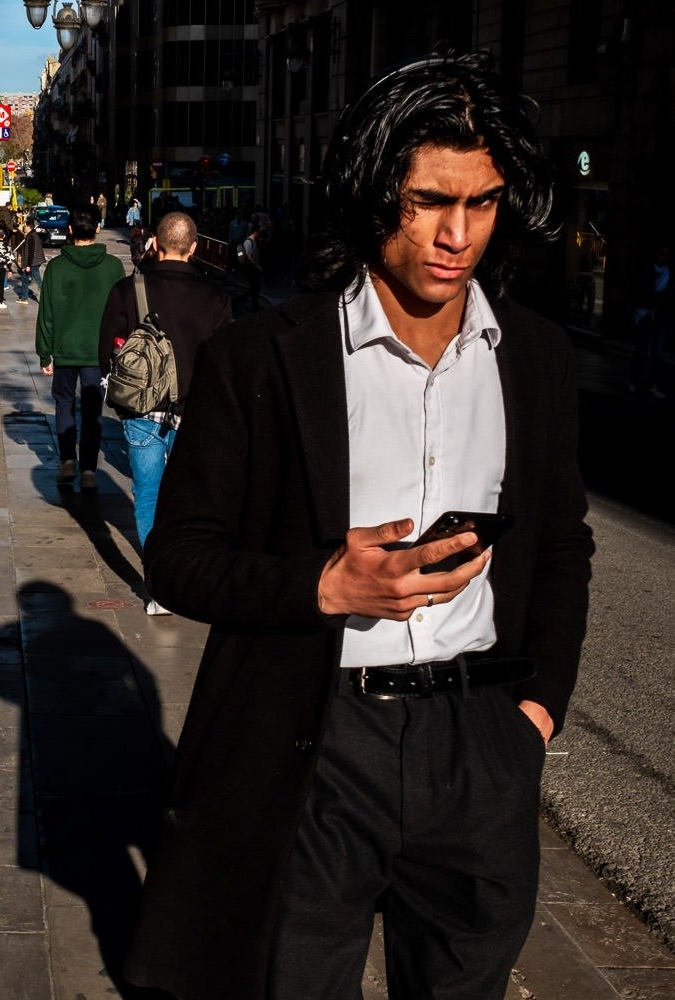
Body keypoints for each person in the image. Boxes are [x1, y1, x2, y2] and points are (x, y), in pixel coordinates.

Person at [122, 52, 595, 1000]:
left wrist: (535, 712)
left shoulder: (534, 358)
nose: (458, 235)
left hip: (481, 745)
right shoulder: (265, 357)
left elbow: (563, 544)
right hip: (318, 738)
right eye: (428, 202)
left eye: (484, 203)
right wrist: (323, 585)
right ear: (376, 191)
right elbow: (178, 558)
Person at [96, 211, 231, 614]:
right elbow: (228, 362)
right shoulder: (216, 298)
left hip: (143, 411)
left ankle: (159, 588)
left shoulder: (128, 290)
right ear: (194, 247)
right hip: (197, 413)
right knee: (193, 498)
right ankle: (193, 576)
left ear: (155, 243)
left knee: (149, 494)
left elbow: (106, 352)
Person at [35, 207, 126, 491]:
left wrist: (44, 352)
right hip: (98, 353)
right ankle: (88, 468)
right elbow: (121, 312)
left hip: (64, 350)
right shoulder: (113, 267)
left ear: (70, 230)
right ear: (97, 228)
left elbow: (46, 312)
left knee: (63, 404)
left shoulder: (57, 267)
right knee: (92, 410)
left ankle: (67, 461)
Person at [628, 244, 671, 398]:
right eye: (661, 253)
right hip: (645, 313)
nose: (663, 257)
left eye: (666, 254)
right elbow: (638, 290)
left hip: (661, 316)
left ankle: (652, 385)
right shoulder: (647, 270)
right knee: (641, 350)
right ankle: (634, 381)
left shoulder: (668, 273)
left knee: (658, 353)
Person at [15, 220, 45, 303]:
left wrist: (28, 265)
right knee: (25, 279)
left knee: (38, 281)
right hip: (34, 262)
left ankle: (45, 297)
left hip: (33, 263)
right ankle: (24, 298)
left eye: (25, 226)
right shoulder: (32, 235)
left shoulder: (31, 236)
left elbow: (31, 252)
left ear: (29, 227)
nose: (24, 227)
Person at [238, 221, 264, 309]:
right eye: (259, 232)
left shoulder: (255, 241)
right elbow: (249, 256)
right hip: (251, 268)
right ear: (256, 232)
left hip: (254, 267)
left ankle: (254, 305)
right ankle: (239, 301)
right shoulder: (248, 241)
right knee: (253, 288)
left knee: (255, 288)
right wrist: (257, 266)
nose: (260, 234)